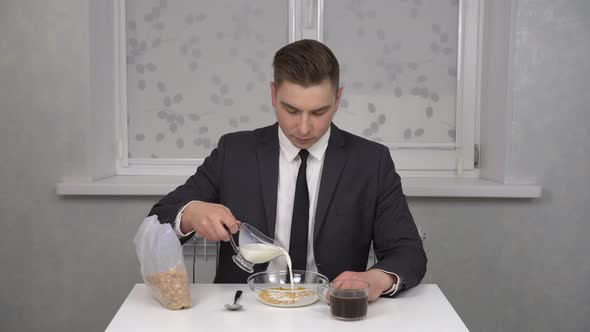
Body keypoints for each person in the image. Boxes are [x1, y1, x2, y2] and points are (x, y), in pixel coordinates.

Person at [148, 39, 426, 301]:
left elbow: (408, 252)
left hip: (330, 310)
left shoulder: (370, 161)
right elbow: (160, 217)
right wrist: (191, 213)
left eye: (319, 112)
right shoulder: (235, 152)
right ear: (273, 94)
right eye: (291, 110)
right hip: (244, 308)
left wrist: (376, 279)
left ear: (338, 99)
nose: (304, 128)